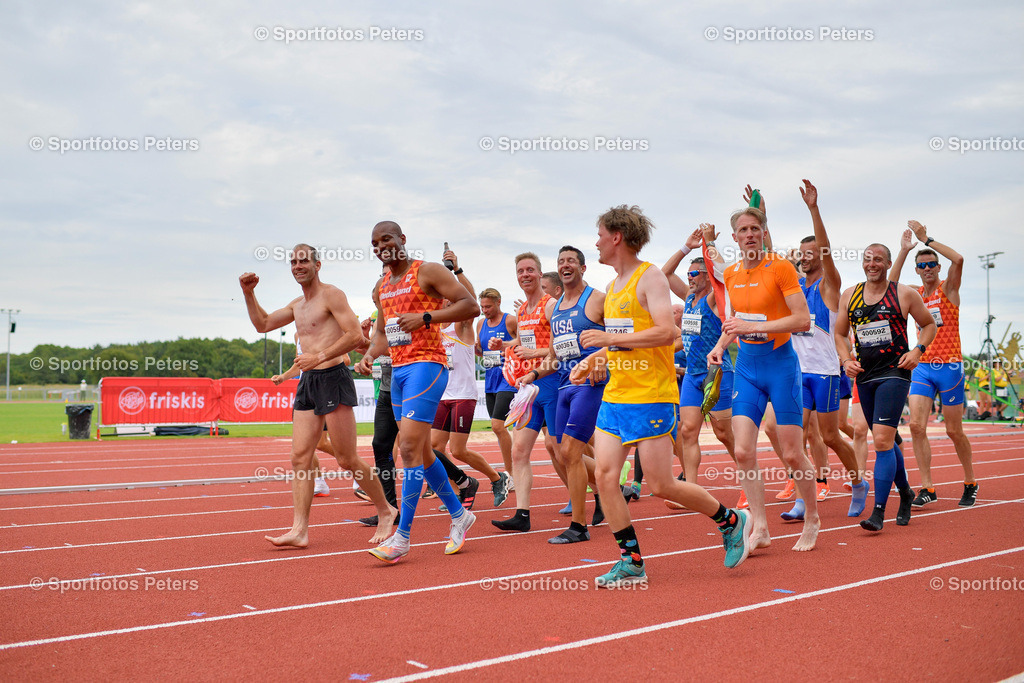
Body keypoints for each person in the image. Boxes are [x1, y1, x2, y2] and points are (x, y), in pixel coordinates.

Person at [572, 204, 751, 587]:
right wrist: (597, 358)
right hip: (617, 394)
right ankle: (632, 562)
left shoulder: (649, 276)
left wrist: (607, 339)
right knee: (605, 477)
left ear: (616, 237)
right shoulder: (613, 287)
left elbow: (666, 333)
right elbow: (625, 342)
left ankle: (731, 520)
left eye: (600, 236)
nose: (597, 243)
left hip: (650, 395)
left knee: (660, 485)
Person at [239, 244, 396, 547]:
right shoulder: (297, 304)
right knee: (300, 457)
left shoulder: (332, 295)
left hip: (333, 378)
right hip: (308, 382)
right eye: (293, 262)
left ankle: (386, 510)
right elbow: (263, 324)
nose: (297, 266)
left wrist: (320, 356)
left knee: (347, 459)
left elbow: (353, 335)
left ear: (317, 264)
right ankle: (299, 530)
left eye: (303, 261)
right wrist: (248, 294)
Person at [361, 222, 480, 563]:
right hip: (397, 371)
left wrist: (426, 317)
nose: (381, 246)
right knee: (424, 451)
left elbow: (469, 306)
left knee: (409, 448)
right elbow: (383, 334)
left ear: (402, 240)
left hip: (427, 366)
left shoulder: (426, 271)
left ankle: (402, 538)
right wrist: (369, 356)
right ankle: (459, 515)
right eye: (374, 242)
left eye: (387, 239)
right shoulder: (383, 286)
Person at [708, 202, 820, 552]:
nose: (750, 234)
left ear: (764, 232)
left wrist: (752, 326)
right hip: (747, 368)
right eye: (743, 230)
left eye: (755, 228)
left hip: (781, 366)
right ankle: (760, 525)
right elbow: (734, 319)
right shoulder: (731, 274)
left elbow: (801, 319)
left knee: (791, 453)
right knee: (743, 451)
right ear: (735, 237)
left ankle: (813, 519)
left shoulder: (781, 268)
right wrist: (721, 344)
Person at [835, 242, 937, 531]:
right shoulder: (850, 296)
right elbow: (840, 333)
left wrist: (918, 350)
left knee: (880, 440)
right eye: (868, 259)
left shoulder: (904, 294)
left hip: (895, 373)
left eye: (878, 259)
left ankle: (879, 512)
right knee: (887, 441)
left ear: (888, 263)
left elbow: (929, 325)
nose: (872, 264)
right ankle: (905, 491)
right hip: (865, 376)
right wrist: (845, 359)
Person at [790, 181, 866, 516]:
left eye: (810, 254)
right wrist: (760, 216)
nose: (804, 258)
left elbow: (827, 250)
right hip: (798, 372)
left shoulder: (829, 285)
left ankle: (859, 481)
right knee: (799, 435)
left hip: (826, 372)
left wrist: (813, 208)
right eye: (801, 254)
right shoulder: (795, 286)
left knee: (831, 436)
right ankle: (802, 497)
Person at [888, 222, 977, 506]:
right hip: (923, 366)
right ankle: (928, 488)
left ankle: (970, 481)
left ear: (938, 268)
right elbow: (890, 285)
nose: (927, 269)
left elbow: (959, 259)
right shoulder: (914, 294)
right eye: (922, 265)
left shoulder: (949, 289)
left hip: (949, 367)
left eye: (931, 264)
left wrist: (927, 239)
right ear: (917, 270)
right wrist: (904, 251)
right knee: (915, 426)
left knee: (954, 431)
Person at [520, 245, 605, 543]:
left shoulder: (596, 299)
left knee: (569, 451)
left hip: (591, 384)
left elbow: (623, 335)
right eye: (561, 261)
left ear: (583, 268)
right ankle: (608, 488)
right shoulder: (555, 307)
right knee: (563, 451)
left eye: (571, 261)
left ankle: (579, 526)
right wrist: (532, 375)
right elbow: (555, 355)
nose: (565, 265)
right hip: (564, 385)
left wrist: (602, 356)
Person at [662, 225, 741, 506]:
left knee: (723, 434)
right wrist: (687, 248)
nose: (690, 278)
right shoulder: (689, 298)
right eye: (689, 275)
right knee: (687, 431)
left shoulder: (712, 298)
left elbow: (721, 274)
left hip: (717, 372)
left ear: (707, 277)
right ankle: (691, 493)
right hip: (693, 376)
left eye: (695, 274)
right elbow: (664, 275)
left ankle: (747, 478)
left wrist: (708, 245)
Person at [432, 247, 512, 507]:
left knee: (458, 450)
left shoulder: (462, 325)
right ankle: (460, 488)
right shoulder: (435, 326)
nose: (441, 301)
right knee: (433, 449)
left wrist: (457, 270)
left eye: (445, 298)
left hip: (463, 395)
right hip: (442, 396)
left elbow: (471, 302)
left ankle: (496, 477)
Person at [491, 253, 561, 532]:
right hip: (529, 387)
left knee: (562, 451)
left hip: (552, 382)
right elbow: (520, 340)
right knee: (519, 451)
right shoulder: (521, 312)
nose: (525, 274)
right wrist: (503, 345)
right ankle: (522, 514)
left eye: (530, 270)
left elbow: (564, 347)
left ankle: (602, 489)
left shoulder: (551, 305)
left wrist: (536, 353)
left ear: (540, 273)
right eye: (520, 270)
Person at [271, 338, 354, 498]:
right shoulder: (297, 334)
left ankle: (359, 472)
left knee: (322, 443)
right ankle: (320, 483)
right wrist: (284, 377)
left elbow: (346, 359)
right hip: (305, 388)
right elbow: (300, 364)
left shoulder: (327, 328)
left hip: (325, 386)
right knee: (302, 445)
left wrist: (318, 359)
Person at [476, 287, 517, 480]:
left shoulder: (509, 320)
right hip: (490, 379)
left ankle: (511, 473)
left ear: (499, 302)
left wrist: (507, 347)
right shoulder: (480, 323)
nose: (485, 310)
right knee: (501, 428)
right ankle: (514, 467)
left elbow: (525, 340)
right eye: (483, 306)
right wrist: (475, 348)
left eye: (489, 306)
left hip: (508, 378)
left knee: (498, 426)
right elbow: (480, 349)